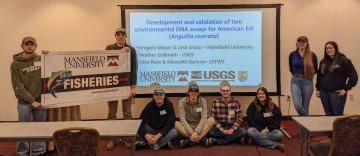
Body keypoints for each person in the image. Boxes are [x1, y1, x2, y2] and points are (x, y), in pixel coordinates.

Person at [10, 36, 47, 156]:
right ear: (22, 46)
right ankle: (22, 153)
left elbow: (55, 67)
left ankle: (38, 152)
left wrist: (50, 56)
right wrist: (32, 101)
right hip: (24, 103)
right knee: (23, 129)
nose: (29, 46)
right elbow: (18, 87)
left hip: (40, 101)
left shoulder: (42, 59)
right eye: (27, 44)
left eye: (32, 44)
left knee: (39, 129)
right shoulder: (15, 64)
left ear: (36, 46)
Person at [105, 27, 138, 150]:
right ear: (115, 36)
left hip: (126, 85)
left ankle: (127, 138)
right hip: (112, 86)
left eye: (122, 35)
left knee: (127, 113)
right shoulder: (109, 48)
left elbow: (134, 67)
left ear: (125, 37)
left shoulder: (132, 50)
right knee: (111, 114)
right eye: (118, 34)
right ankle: (111, 139)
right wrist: (120, 54)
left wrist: (133, 86)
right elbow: (105, 65)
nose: (120, 37)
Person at [316, 41, 358, 116]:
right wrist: (318, 89)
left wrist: (345, 88)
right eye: (327, 48)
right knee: (328, 115)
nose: (329, 50)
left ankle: (338, 128)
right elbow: (319, 76)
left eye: (331, 48)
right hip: (324, 92)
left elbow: (354, 76)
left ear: (335, 48)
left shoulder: (344, 61)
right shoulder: (323, 61)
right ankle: (329, 128)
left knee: (337, 115)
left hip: (336, 93)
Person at [135, 84, 178, 150]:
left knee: (174, 132)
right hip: (152, 129)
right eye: (156, 95)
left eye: (160, 95)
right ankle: (164, 143)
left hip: (163, 131)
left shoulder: (169, 105)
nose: (158, 97)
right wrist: (146, 135)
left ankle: (149, 144)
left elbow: (170, 123)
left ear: (164, 96)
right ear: (153, 96)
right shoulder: (149, 106)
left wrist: (159, 135)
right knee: (136, 132)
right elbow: (140, 122)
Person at [175, 81, 215, 148]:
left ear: (198, 93)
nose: (193, 93)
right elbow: (182, 119)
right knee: (175, 124)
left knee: (212, 120)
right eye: (191, 91)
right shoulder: (182, 102)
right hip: (187, 126)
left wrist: (196, 131)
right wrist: (192, 132)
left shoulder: (202, 101)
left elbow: (204, 117)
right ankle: (201, 138)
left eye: (196, 91)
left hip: (200, 126)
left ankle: (190, 140)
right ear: (188, 92)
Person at [206, 81, 247, 146]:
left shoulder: (236, 102)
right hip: (221, 126)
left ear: (230, 91)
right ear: (220, 92)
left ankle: (217, 141)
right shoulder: (215, 102)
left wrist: (232, 129)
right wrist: (222, 130)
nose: (225, 92)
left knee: (243, 132)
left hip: (231, 125)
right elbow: (214, 119)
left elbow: (239, 118)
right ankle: (235, 139)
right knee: (210, 132)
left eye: (227, 90)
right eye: (223, 91)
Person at [246, 87, 285, 152]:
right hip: (257, 130)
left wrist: (267, 129)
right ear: (257, 95)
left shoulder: (273, 106)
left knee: (279, 135)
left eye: (263, 93)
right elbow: (250, 121)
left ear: (266, 95)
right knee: (250, 131)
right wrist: (261, 129)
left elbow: (277, 121)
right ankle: (275, 145)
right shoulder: (252, 106)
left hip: (270, 130)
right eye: (259, 94)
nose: (261, 95)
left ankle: (255, 139)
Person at [289, 36, 318, 116]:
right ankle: (307, 119)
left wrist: (307, 74)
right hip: (295, 82)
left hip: (308, 82)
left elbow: (315, 69)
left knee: (305, 106)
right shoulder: (292, 54)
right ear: (297, 43)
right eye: (299, 42)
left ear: (307, 43)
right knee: (297, 105)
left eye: (303, 42)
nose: (301, 44)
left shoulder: (312, 55)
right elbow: (291, 68)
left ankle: (304, 128)